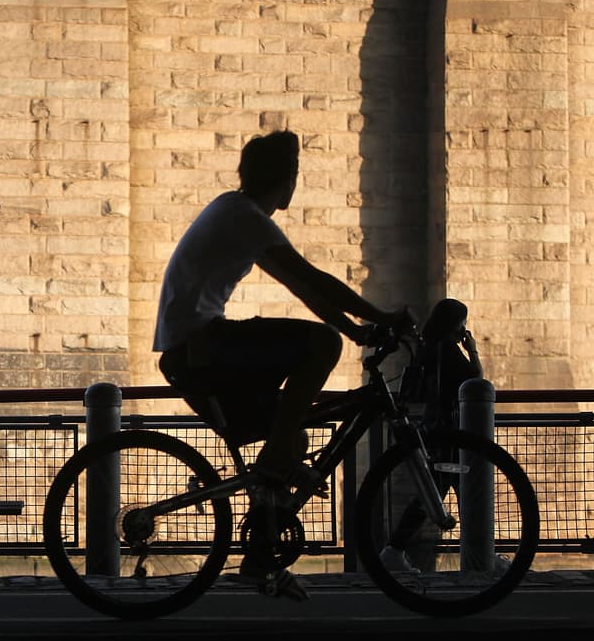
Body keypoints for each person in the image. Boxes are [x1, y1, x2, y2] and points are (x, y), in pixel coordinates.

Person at [153, 130, 410, 594]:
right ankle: (273, 463)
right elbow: (314, 278)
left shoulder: (236, 212)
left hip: (194, 352)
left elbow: (302, 288)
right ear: (287, 180)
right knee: (321, 346)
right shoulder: (246, 217)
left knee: (294, 437)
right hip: (202, 348)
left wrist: (357, 332)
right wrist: (382, 317)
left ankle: (259, 559)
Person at [380, 297, 489, 573]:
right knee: (464, 492)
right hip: (450, 434)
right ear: (458, 324)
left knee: (441, 492)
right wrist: (473, 349)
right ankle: (482, 556)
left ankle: (394, 551)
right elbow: (476, 382)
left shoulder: (427, 347)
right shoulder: (448, 349)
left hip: (432, 430)